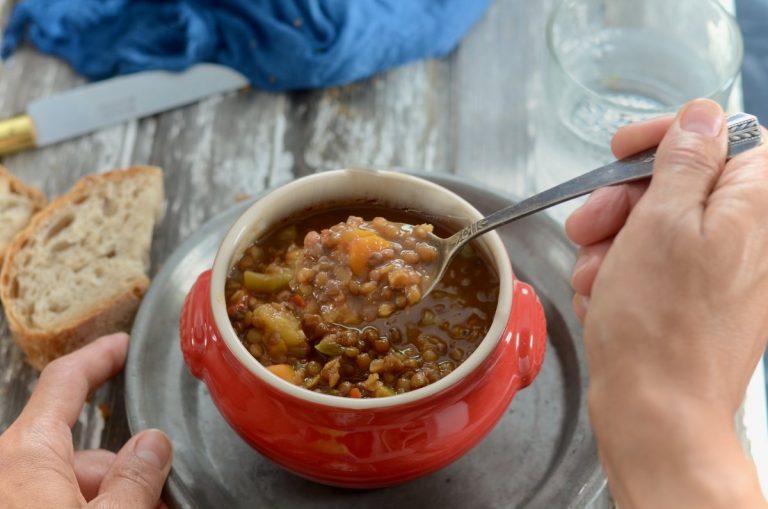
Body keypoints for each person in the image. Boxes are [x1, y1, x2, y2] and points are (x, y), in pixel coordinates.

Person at [0, 98, 767, 508]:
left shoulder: (498, 317)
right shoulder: (235, 310)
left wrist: (665, 400)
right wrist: (676, 410)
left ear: (522, 340)